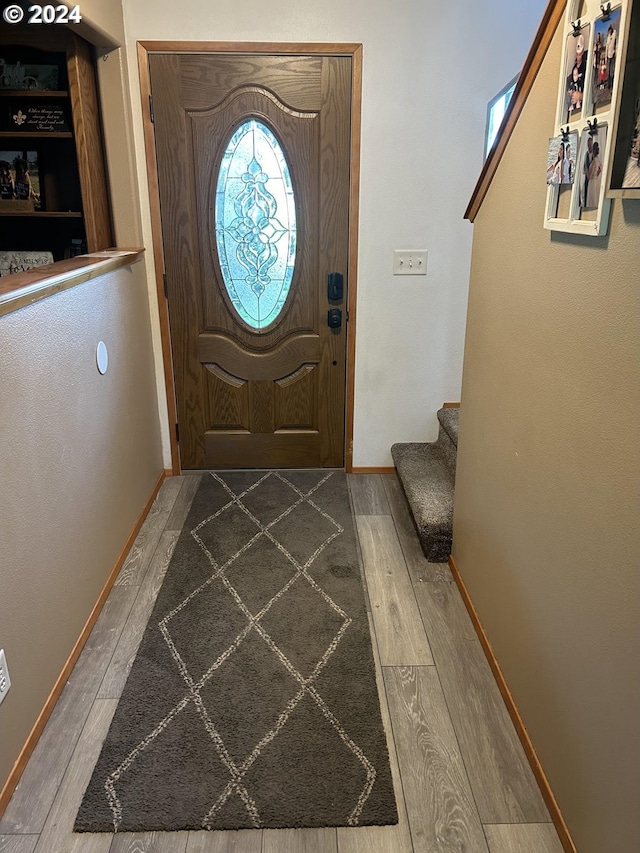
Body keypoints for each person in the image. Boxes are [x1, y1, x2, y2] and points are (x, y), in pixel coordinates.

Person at [586, 141, 602, 208]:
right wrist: (596, 175)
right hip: (596, 181)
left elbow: (589, 176)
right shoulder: (598, 160)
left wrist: (586, 169)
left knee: (592, 199)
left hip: (592, 182)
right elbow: (600, 169)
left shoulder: (594, 161)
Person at [581, 136, 594, 207]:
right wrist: (587, 173)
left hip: (592, 177)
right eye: (588, 144)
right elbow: (585, 165)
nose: (589, 146)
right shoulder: (586, 154)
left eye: (590, 144)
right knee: (585, 191)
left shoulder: (594, 155)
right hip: (587, 177)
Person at [605, 24, 617, 90]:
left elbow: (615, 42)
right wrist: (606, 57)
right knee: (608, 70)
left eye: (610, 31)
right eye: (608, 31)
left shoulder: (614, 34)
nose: (609, 32)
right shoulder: (608, 37)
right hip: (609, 55)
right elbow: (607, 47)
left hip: (613, 54)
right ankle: (609, 84)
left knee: (612, 70)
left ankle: (612, 83)